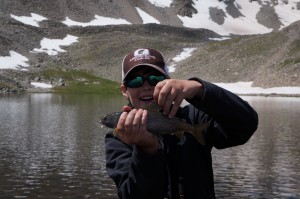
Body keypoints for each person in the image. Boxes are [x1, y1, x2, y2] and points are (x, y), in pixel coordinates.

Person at [104, 48, 258, 199]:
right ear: (124, 90)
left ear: (168, 82)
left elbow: (246, 125)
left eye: (155, 79)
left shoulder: (194, 117)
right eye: (135, 80)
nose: (146, 86)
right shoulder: (118, 139)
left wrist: (199, 89)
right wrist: (146, 151)